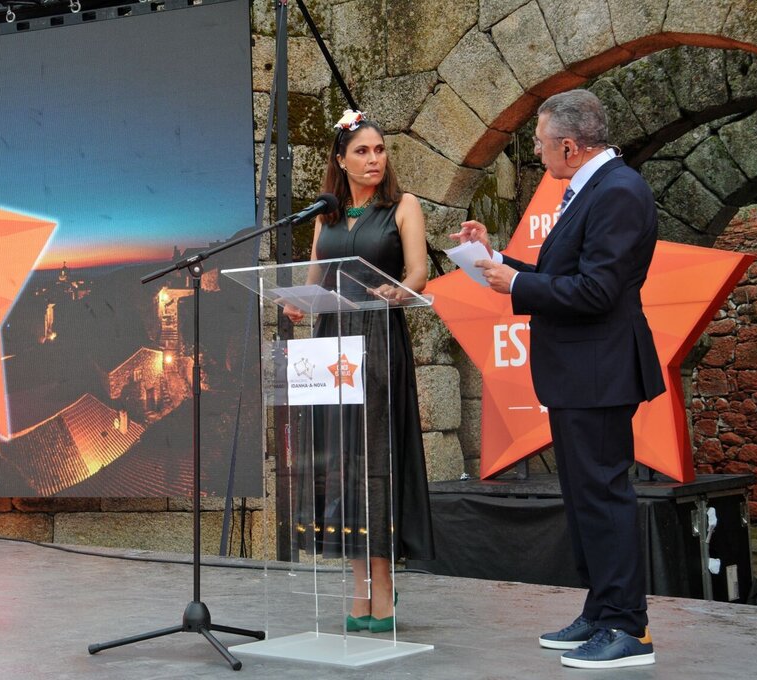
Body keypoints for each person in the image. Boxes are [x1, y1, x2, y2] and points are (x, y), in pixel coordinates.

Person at [453, 89, 665, 669]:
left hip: (600, 371)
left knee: (603, 495)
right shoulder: (592, 187)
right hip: (580, 373)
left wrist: (518, 285)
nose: (538, 151)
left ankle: (628, 628)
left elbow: (597, 290)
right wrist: (497, 261)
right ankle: (602, 610)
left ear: (569, 146)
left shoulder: (618, 190)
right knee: (584, 498)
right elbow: (563, 274)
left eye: (542, 142)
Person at [284, 110, 435, 634]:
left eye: (380, 150)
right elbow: (314, 279)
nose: (374, 160)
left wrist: (400, 290)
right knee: (340, 461)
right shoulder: (325, 215)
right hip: (331, 343)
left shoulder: (403, 206)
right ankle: (358, 585)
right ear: (341, 160)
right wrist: (297, 303)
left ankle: (384, 585)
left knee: (375, 458)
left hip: (378, 338)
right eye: (363, 151)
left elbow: (420, 270)